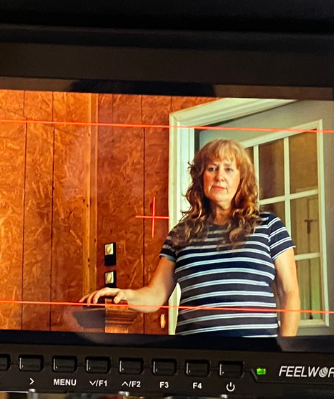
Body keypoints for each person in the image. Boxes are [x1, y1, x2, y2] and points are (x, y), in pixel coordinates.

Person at [83, 138, 301, 336]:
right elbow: (156, 294)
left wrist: (284, 350)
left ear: (242, 179)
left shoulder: (269, 226)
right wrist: (123, 294)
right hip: (195, 357)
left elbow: (289, 291)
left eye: (229, 169)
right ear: (201, 178)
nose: (220, 177)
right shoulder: (181, 233)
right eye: (212, 168)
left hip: (255, 355)